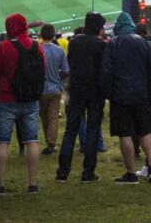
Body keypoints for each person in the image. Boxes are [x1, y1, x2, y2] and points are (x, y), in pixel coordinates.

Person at [99, 13, 151, 185]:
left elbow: (106, 71)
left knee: (125, 133)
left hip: (121, 95)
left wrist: (108, 93)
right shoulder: (143, 42)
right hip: (142, 94)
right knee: (145, 131)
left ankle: (131, 173)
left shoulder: (114, 43)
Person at [0, 13, 45, 195]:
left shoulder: (4, 46)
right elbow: (42, 69)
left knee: (2, 142)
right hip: (30, 99)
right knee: (32, 140)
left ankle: (0, 184)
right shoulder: (37, 46)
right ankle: (33, 183)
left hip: (7, 99)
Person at [56, 12, 106, 183]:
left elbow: (71, 64)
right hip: (94, 91)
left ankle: (63, 172)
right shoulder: (100, 44)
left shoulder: (75, 41)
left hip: (77, 89)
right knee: (92, 130)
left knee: (71, 130)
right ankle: (88, 172)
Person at [39, 23, 69, 155]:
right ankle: (51, 142)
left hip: (42, 89)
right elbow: (66, 70)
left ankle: (50, 142)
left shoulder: (38, 49)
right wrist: (58, 76)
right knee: (52, 118)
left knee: (46, 117)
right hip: (55, 88)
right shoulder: (58, 50)